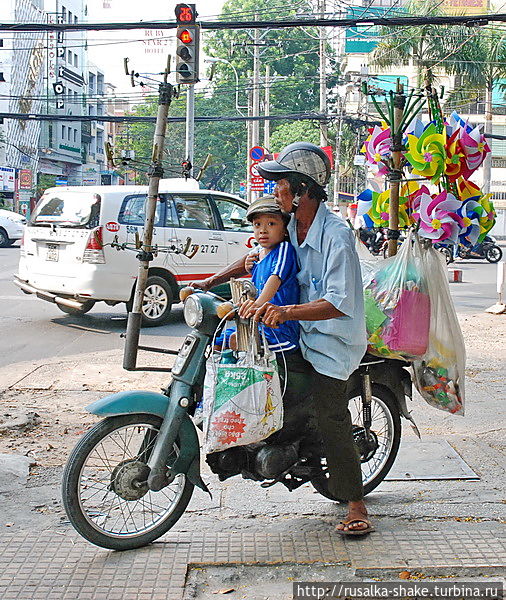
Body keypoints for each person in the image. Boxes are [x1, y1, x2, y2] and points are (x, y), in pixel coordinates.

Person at [253, 142, 371, 536]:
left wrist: (285, 312)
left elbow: (338, 302)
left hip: (334, 344)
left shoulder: (336, 236)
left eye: (282, 185)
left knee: (330, 415)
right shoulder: (292, 229)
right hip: (302, 336)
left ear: (303, 191)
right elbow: (264, 261)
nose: (276, 193)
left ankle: (355, 505)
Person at [196, 195, 300, 356]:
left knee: (236, 342)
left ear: (285, 229)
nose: (263, 230)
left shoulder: (284, 250)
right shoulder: (258, 254)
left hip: (278, 332)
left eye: (271, 224)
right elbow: (253, 284)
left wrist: (257, 305)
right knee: (217, 341)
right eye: (257, 225)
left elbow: (275, 278)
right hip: (256, 325)